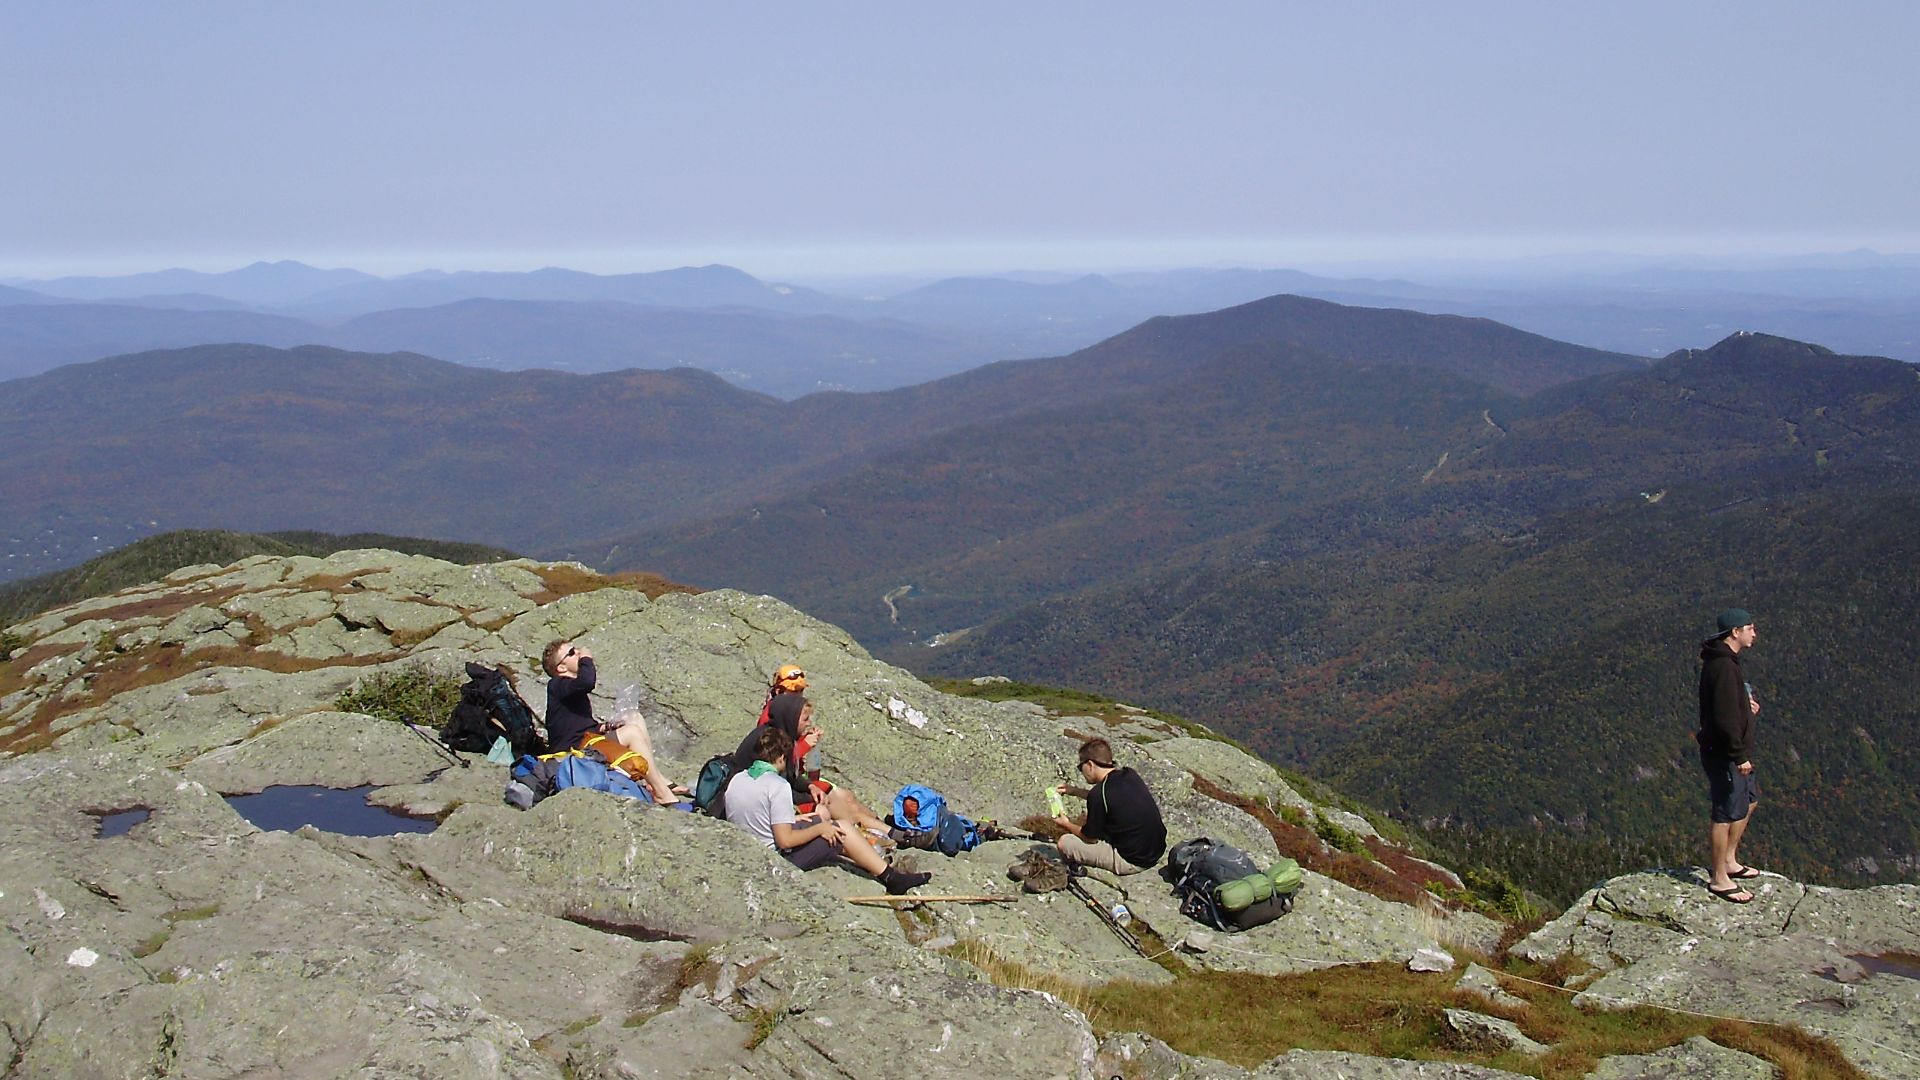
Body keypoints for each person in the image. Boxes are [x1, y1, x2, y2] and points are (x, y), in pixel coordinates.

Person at [725, 725, 930, 894]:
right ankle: (891, 878)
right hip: (776, 860)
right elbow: (784, 841)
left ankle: (881, 865)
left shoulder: (739, 779)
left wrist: (803, 821)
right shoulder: (777, 786)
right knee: (840, 828)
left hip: (752, 851)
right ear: (780, 757)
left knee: (820, 819)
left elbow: (759, 821)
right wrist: (821, 829)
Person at [542, 639, 685, 806]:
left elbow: (577, 724)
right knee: (632, 733)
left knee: (634, 718)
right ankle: (662, 793)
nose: (578, 653)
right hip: (573, 751)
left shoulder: (568, 688)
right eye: (572, 652)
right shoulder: (557, 685)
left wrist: (605, 727)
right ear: (561, 668)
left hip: (585, 740)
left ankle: (657, 779)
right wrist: (586, 659)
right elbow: (587, 682)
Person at [734, 693, 892, 839]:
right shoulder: (771, 743)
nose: (808, 723)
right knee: (824, 806)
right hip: (758, 805)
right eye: (805, 719)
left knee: (830, 794)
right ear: (791, 718)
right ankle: (863, 835)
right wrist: (808, 797)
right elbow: (778, 788)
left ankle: (879, 832)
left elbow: (790, 778)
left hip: (769, 798)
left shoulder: (780, 735)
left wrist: (810, 787)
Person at [1698, 608, 1762, 903]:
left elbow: (1728, 706)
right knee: (1724, 812)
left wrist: (1745, 707)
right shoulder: (1723, 666)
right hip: (1726, 754)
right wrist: (1738, 755)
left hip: (1733, 752)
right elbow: (1723, 718)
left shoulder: (1726, 662)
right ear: (1735, 632)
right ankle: (1718, 878)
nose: (1754, 634)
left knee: (1749, 801)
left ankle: (1730, 860)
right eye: (1750, 628)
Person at [1053, 737, 1167, 876]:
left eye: (1080, 767)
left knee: (1066, 842)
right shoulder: (1128, 774)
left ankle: (1075, 871)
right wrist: (1075, 791)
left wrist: (1066, 824)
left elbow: (1089, 838)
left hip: (1132, 861)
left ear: (1089, 765)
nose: (1081, 772)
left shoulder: (1099, 794)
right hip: (1155, 851)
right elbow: (1110, 799)